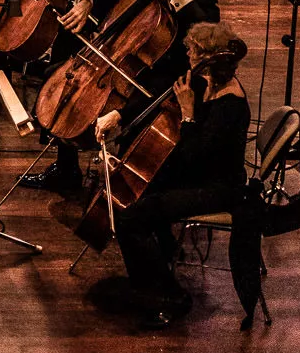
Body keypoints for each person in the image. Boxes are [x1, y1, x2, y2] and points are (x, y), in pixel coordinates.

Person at [29, 0, 221, 193]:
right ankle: (66, 170)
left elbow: (209, 34)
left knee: (120, 104)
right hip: (124, 50)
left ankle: (127, 183)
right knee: (58, 75)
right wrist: (84, 2)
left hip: (167, 67)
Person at [101, 23, 249, 328]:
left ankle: (171, 295)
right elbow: (159, 93)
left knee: (131, 219)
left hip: (219, 188)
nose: (188, 56)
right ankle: (151, 275)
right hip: (199, 176)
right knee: (137, 198)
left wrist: (187, 114)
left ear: (208, 57)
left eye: (192, 51)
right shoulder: (205, 82)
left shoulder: (230, 105)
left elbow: (196, 155)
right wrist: (121, 115)